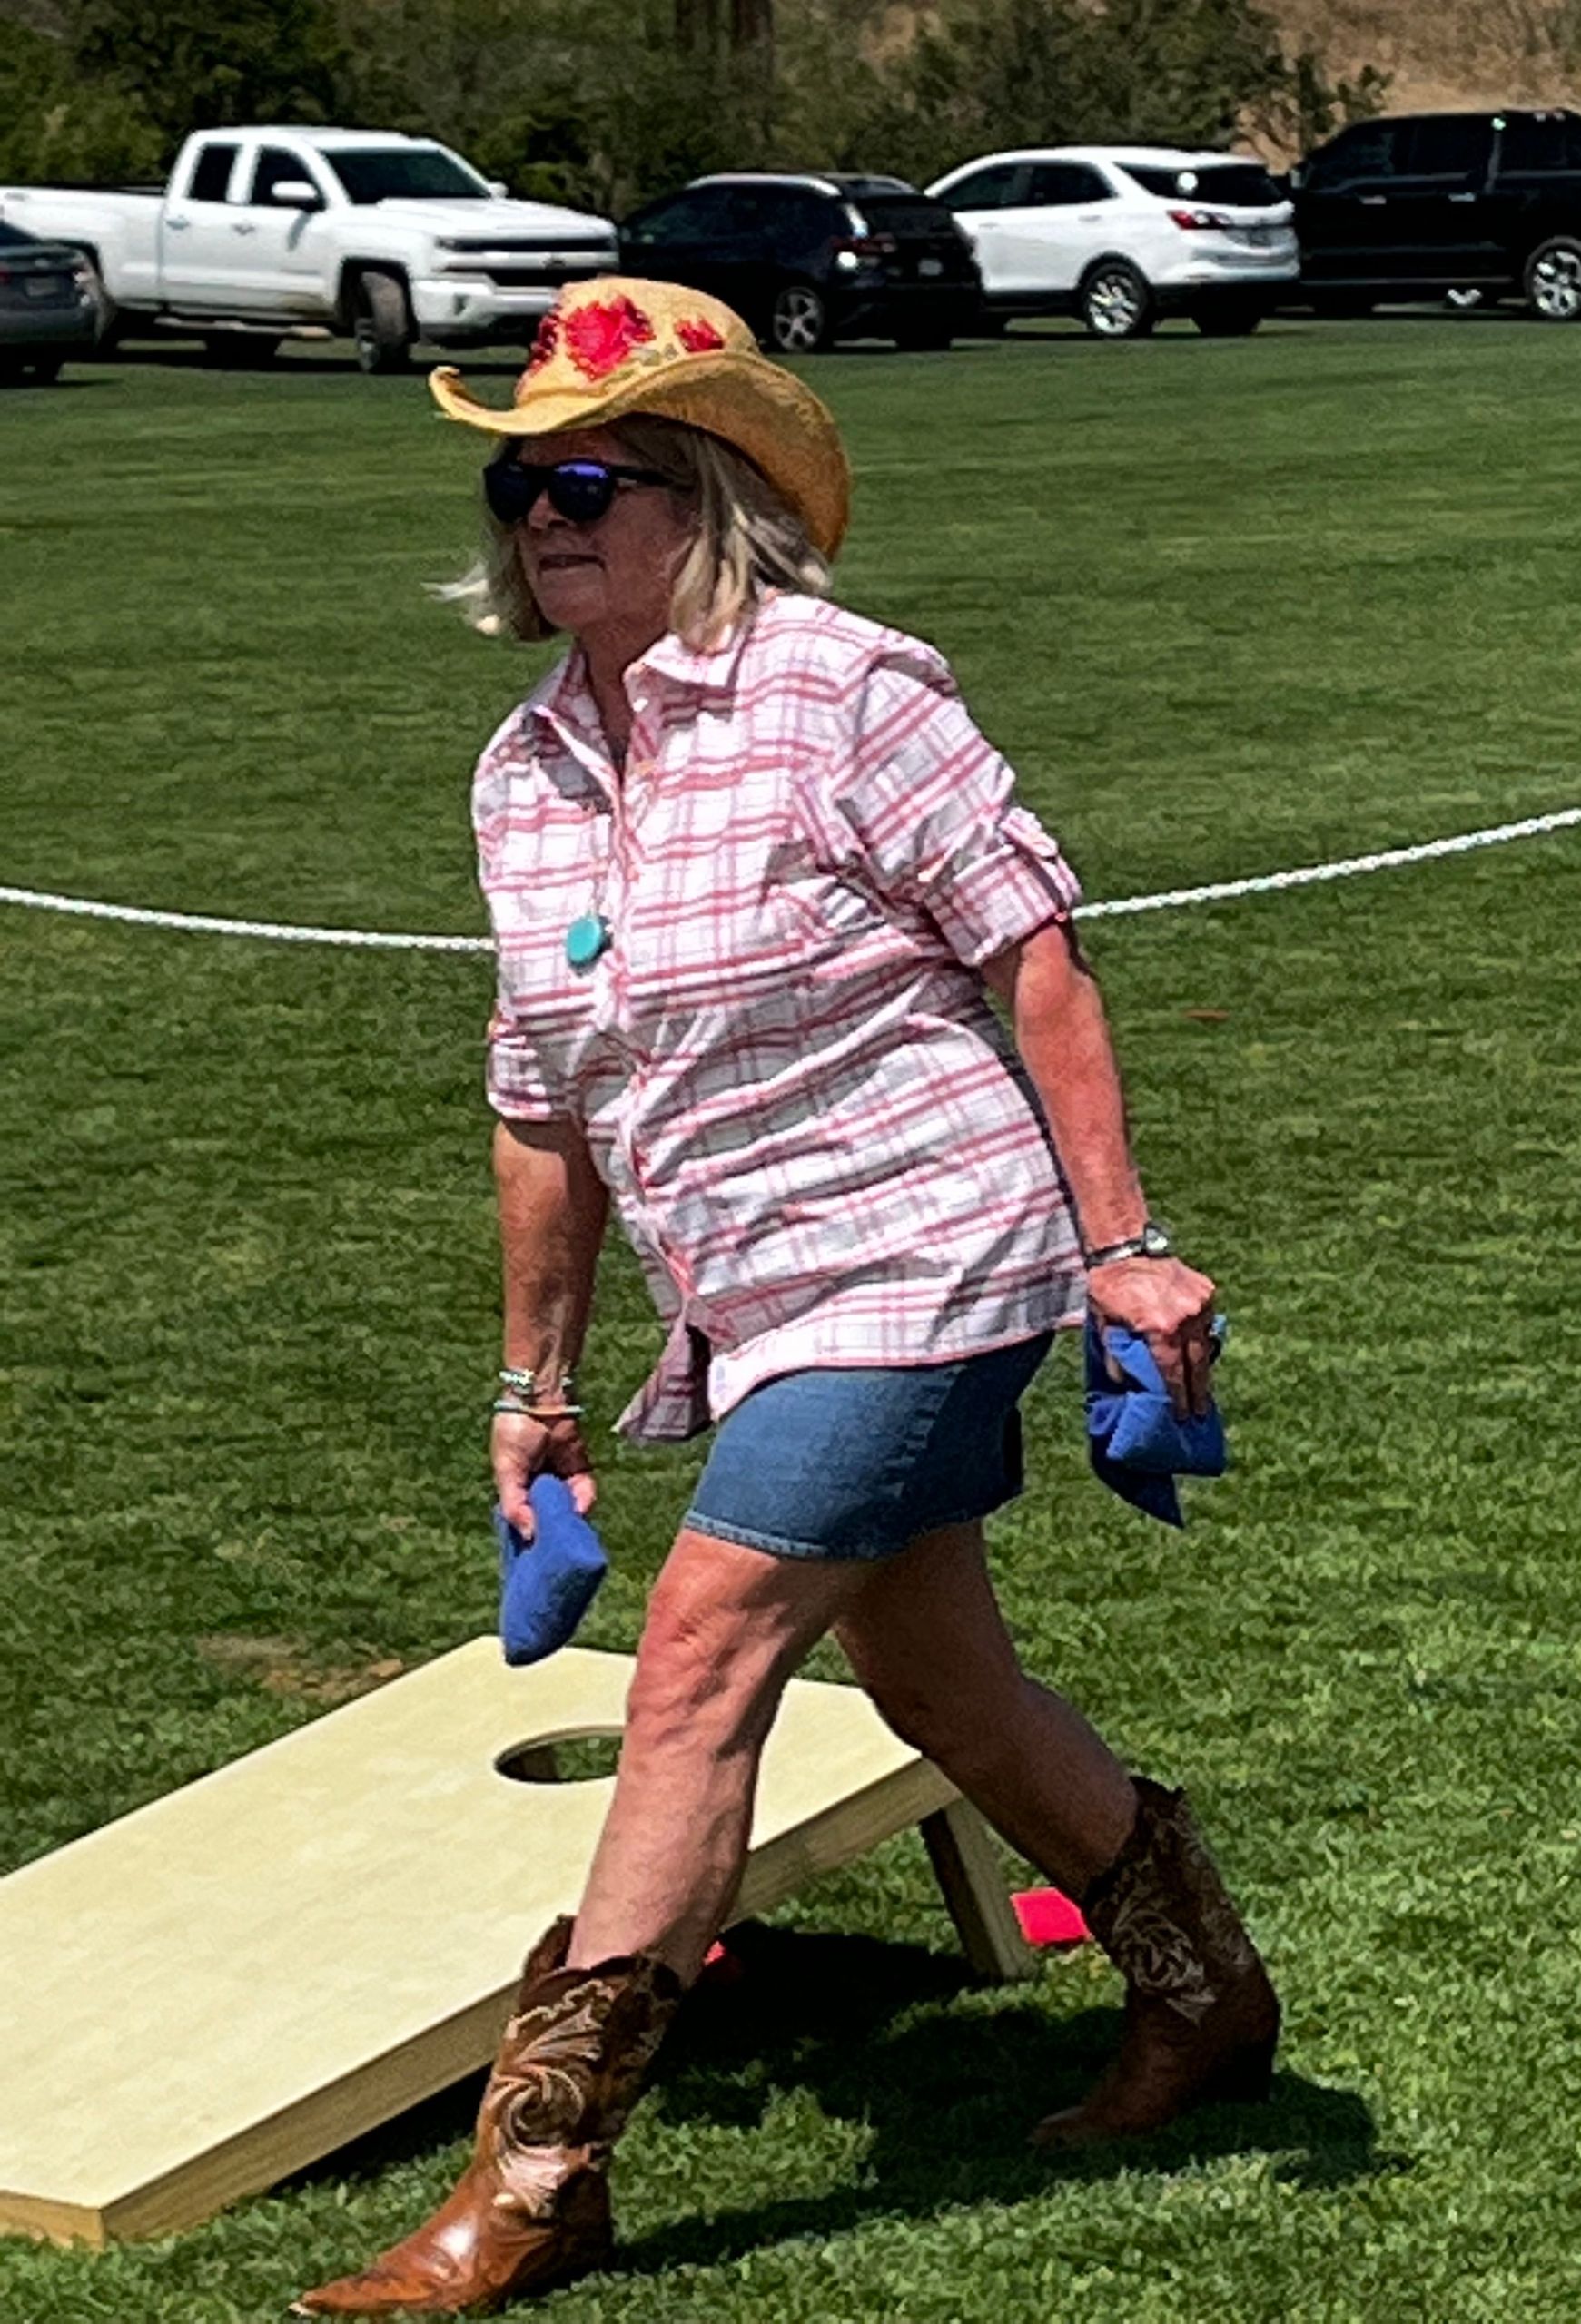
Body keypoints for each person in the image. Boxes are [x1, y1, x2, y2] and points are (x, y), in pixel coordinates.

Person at [294, 277, 1279, 2319]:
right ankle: (1204, 1983)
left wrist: (1121, 1248)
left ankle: (546, 2167)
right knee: (938, 1677)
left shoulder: (850, 692)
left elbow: (1038, 961)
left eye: (591, 480)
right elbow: (539, 1105)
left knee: (697, 1654)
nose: (542, 519)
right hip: (745, 1288)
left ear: (715, 499)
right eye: (518, 486)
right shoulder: (523, 770)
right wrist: (529, 1382)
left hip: (927, 1246)